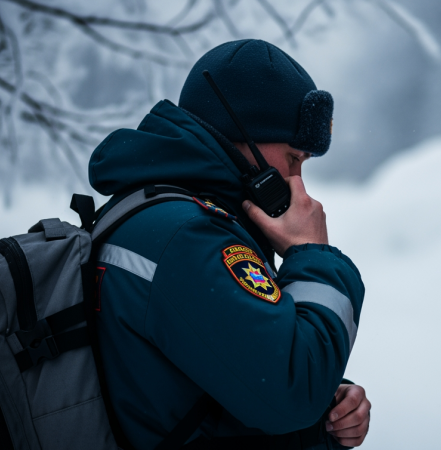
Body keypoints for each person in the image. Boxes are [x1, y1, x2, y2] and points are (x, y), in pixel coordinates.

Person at [87, 39, 370, 449]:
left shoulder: (167, 218)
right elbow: (292, 391)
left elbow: (222, 369)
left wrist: (330, 402)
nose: (298, 182)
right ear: (245, 134)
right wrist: (313, 254)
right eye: (293, 158)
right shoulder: (186, 238)